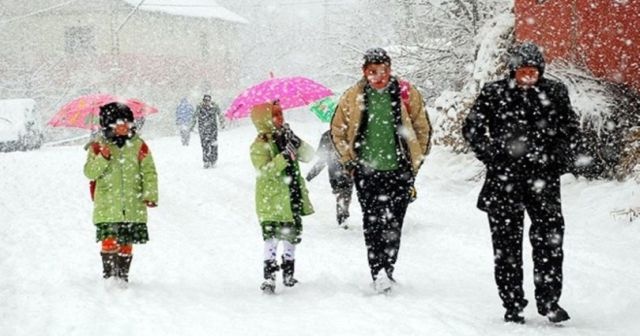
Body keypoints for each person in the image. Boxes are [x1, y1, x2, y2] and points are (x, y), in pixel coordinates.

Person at [462, 42, 580, 324]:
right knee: (506, 248)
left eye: (533, 71)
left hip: (544, 180)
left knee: (550, 242)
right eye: (522, 71)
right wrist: (492, 155)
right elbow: (472, 128)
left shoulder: (554, 92)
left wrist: (557, 158)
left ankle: (550, 301)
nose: (528, 77)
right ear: (512, 71)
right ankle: (512, 303)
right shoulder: (494, 93)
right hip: (504, 182)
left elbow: (570, 129)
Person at [330, 48, 432, 293]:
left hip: (399, 170)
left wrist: (415, 161)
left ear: (390, 69)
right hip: (366, 172)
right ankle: (378, 270)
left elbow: (422, 127)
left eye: (383, 71)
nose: (378, 77)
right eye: (372, 72)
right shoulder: (352, 96)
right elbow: (338, 130)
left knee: (395, 222)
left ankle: (389, 267)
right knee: (373, 222)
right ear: (364, 72)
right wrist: (349, 161)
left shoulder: (406, 93)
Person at [84, 102, 158, 284]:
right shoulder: (98, 146)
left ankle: (123, 275)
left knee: (126, 241)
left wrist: (150, 195)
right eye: (119, 123)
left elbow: (149, 171)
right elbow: (90, 172)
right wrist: (103, 157)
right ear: (108, 124)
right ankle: (109, 275)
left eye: (128, 122)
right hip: (108, 204)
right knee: (109, 239)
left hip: (133, 204)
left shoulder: (139, 145)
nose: (125, 126)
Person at [249, 101, 315, 294]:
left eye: (281, 114)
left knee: (291, 236)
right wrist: (283, 157)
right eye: (275, 115)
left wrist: (296, 142)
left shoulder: (286, 137)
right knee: (271, 238)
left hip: (291, 194)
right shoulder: (259, 145)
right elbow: (264, 171)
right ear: (264, 120)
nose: (280, 118)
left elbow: (309, 155)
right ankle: (269, 276)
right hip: (273, 200)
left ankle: (289, 273)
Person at [306, 129, 354, 228]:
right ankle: (342, 214)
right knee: (345, 193)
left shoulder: (327, 135)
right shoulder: (350, 133)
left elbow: (322, 160)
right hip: (346, 170)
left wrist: (311, 174)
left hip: (335, 172)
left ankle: (342, 214)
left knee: (342, 193)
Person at [191, 94, 221, 168]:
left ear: (210, 100)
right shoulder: (199, 107)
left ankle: (213, 160)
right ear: (203, 100)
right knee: (205, 145)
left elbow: (220, 114)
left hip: (213, 128)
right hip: (203, 129)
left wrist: (222, 122)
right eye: (205, 100)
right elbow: (194, 117)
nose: (207, 102)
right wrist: (192, 126)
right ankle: (206, 161)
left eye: (208, 100)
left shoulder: (214, 106)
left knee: (213, 144)